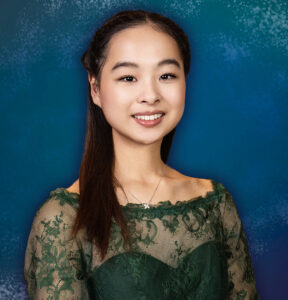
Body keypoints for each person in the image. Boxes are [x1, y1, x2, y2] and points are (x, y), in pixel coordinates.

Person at [24, 9, 259, 300]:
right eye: (128, 78)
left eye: (167, 75)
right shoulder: (63, 218)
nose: (150, 95)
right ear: (96, 89)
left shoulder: (215, 203)